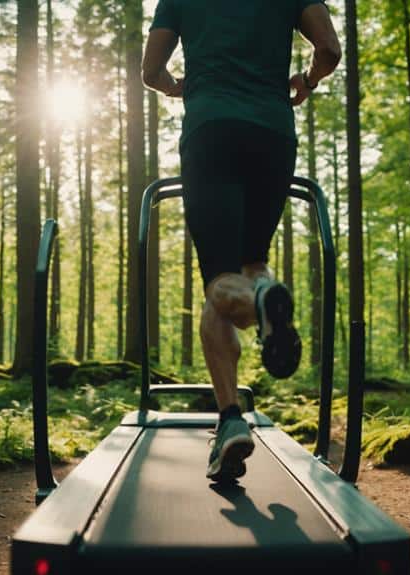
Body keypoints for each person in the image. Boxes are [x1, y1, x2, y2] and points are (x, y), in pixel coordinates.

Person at [142, 0, 341, 482]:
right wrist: (306, 80)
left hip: (212, 131)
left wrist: (176, 87)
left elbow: (151, 70)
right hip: (272, 134)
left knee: (221, 283)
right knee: (252, 263)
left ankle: (234, 401)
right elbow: (330, 49)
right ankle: (234, 408)